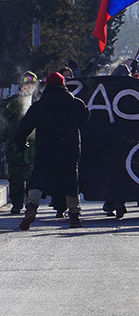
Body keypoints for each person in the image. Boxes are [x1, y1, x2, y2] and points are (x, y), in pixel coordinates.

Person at [17, 72, 90, 230]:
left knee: (38, 179)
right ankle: (74, 217)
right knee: (71, 181)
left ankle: (31, 209)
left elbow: (24, 126)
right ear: (64, 84)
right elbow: (86, 117)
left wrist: (21, 142)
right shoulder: (76, 104)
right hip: (69, 150)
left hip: (46, 150)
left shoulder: (39, 106)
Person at [3, 72, 37, 214]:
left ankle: (31, 205)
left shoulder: (37, 101)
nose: (28, 87)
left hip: (33, 148)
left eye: (31, 84)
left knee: (32, 179)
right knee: (15, 178)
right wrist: (17, 99)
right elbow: (4, 113)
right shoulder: (14, 100)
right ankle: (17, 204)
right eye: (25, 84)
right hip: (15, 146)